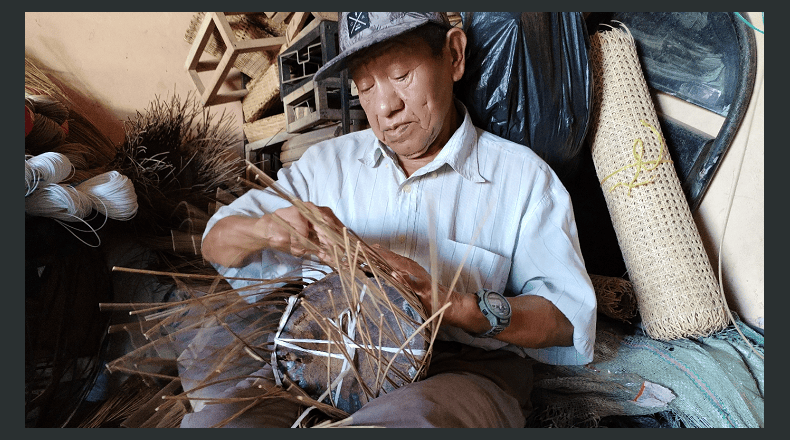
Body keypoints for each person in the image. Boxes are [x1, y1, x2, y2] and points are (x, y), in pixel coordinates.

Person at [189, 11, 596, 428]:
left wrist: (452, 305)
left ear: (454, 56)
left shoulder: (522, 178)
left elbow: (565, 319)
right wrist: (266, 229)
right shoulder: (328, 165)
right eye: (366, 86)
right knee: (215, 423)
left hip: (459, 369)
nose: (386, 106)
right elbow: (215, 241)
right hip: (325, 354)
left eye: (402, 75)